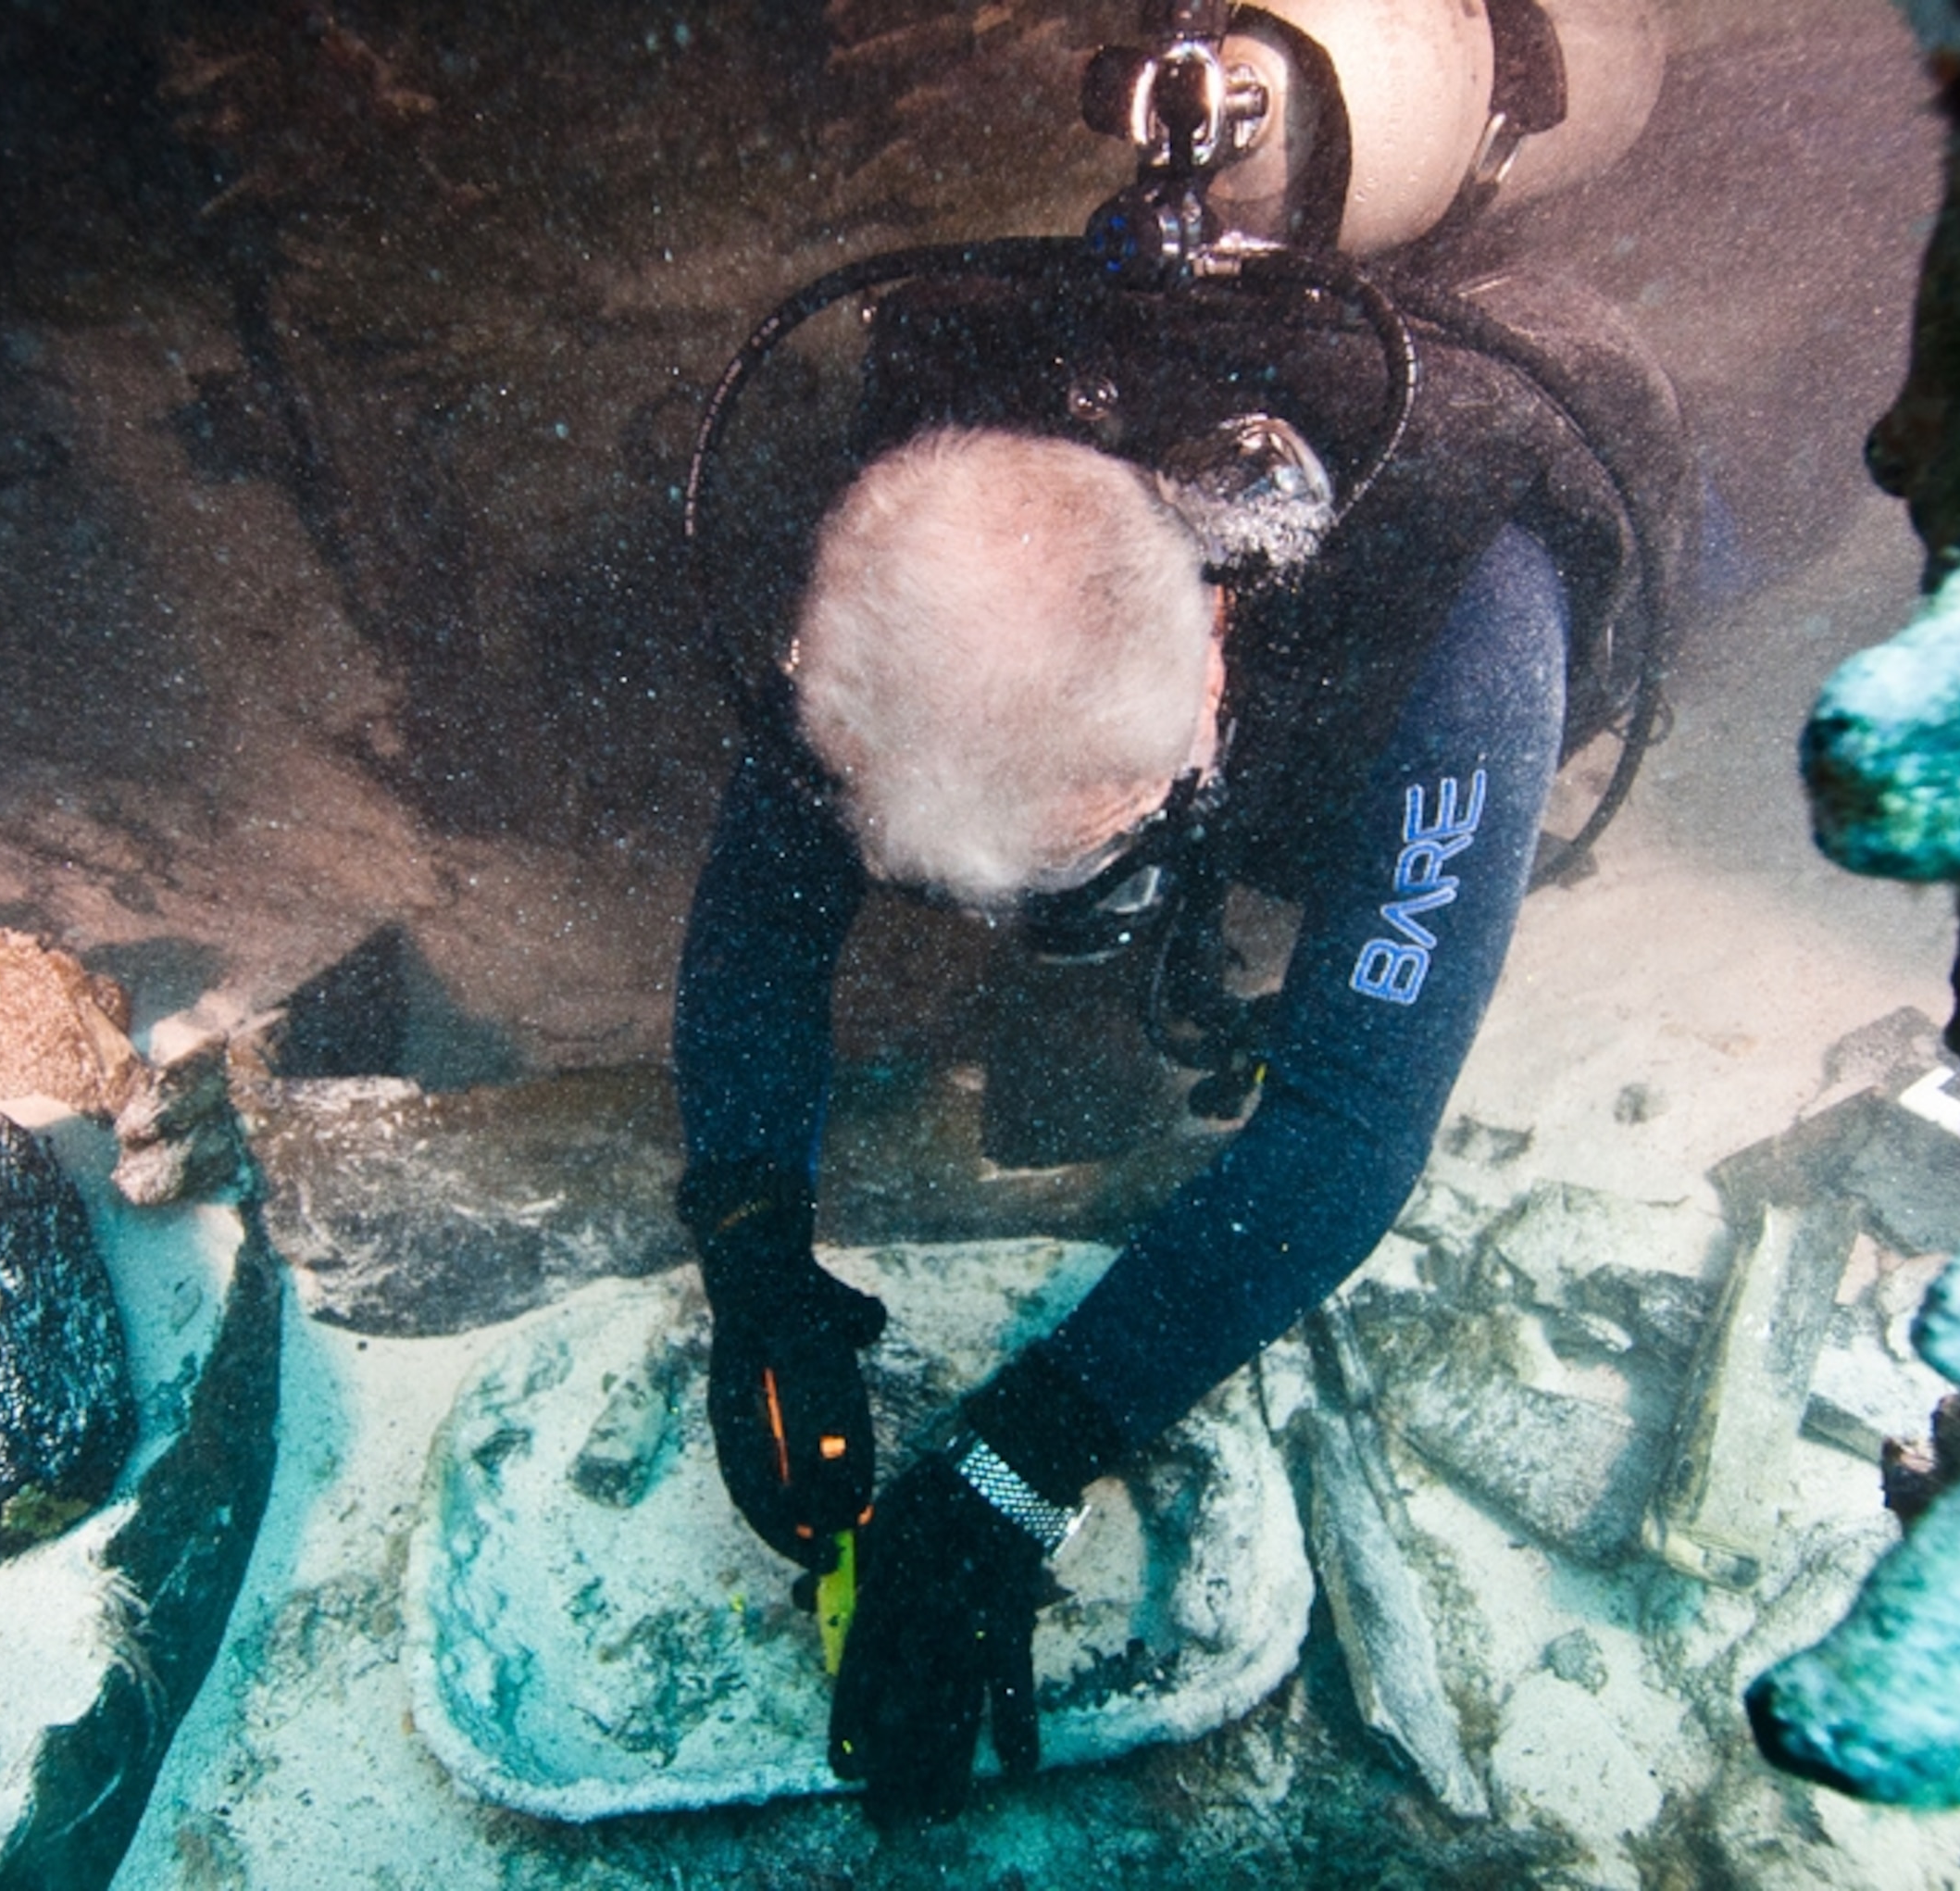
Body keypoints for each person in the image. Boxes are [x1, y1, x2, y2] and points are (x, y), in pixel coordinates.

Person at [672, 0, 1691, 1828]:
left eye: (1104, 865)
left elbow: (1357, 1120)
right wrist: (750, 1248)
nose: (1055, 935)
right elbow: (757, 920)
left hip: (1418, 584)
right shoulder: (915, 535)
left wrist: (1021, 1457)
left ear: (1214, 687)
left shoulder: (1464, 600)